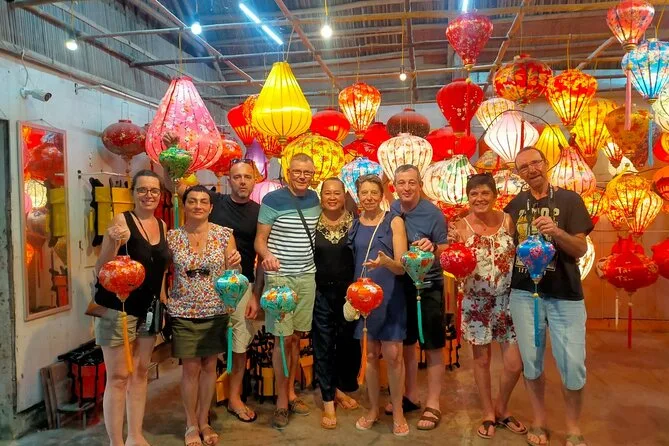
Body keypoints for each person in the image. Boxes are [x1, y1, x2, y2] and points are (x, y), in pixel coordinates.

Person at [505, 147, 593, 446]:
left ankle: (573, 428)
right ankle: (539, 421)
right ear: (518, 173)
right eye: (524, 167)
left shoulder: (570, 200)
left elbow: (580, 249)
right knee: (531, 363)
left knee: (573, 364)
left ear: (546, 164)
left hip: (565, 294)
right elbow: (501, 243)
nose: (531, 170)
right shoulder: (515, 205)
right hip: (524, 293)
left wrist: (556, 232)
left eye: (535, 163)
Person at [94, 169, 170, 446]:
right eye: (142, 189)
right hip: (119, 308)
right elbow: (100, 269)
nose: (148, 195)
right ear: (133, 193)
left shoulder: (162, 225)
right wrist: (113, 241)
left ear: (160, 195)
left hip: (150, 309)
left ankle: (135, 435)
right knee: (118, 377)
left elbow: (161, 269)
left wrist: (163, 301)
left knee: (140, 373)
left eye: (154, 190)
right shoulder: (121, 221)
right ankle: (115, 441)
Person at [449, 173, 526, 440]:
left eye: (485, 193)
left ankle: (502, 407)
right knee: (481, 361)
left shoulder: (508, 221)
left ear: (494, 195)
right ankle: (488, 413)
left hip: (507, 300)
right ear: (468, 197)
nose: (479, 198)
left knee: (515, 364)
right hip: (475, 302)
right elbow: (454, 262)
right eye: (474, 194)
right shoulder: (460, 227)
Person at [167, 185, 242, 446]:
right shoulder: (172, 237)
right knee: (190, 368)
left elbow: (233, 274)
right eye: (192, 201)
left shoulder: (224, 235)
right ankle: (190, 424)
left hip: (215, 308)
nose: (198, 205)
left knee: (210, 366)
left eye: (203, 201)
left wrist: (236, 265)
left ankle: (204, 420)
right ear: (184, 205)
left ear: (211, 207)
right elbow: (162, 271)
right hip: (183, 309)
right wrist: (164, 299)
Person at [254, 153, 320, 430]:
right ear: (288, 173)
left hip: (307, 277)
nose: (302, 176)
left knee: (295, 338)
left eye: (307, 172)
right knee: (281, 340)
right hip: (280, 279)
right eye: (297, 171)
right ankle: (281, 401)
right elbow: (260, 240)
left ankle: (291, 392)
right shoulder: (272, 200)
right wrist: (267, 256)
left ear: (313, 175)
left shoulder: (316, 199)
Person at [387, 164, 448, 430]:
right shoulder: (392, 210)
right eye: (402, 183)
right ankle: (411, 394)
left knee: (432, 344)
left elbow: (445, 247)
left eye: (412, 182)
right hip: (402, 284)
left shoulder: (433, 213)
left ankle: (433, 403)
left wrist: (433, 247)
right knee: (407, 342)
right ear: (395, 186)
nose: (407, 188)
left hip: (429, 284)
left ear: (420, 185)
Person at [349, 174, 409, 437]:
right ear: (358, 196)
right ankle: (373, 409)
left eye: (374, 192)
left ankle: (398, 412)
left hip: (390, 295)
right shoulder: (354, 225)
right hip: (363, 298)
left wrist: (386, 262)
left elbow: (401, 267)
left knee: (394, 356)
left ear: (382, 195)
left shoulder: (393, 221)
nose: (369, 197)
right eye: (364, 193)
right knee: (370, 355)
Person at [207, 159, 263, 423]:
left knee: (240, 344)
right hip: (209, 285)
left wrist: (255, 295)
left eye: (247, 177)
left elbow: (261, 256)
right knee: (207, 344)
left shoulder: (260, 212)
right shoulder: (213, 203)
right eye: (237, 176)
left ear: (255, 180)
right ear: (228, 179)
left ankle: (234, 397)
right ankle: (204, 400)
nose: (242, 181)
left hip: (243, 284)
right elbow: (176, 185)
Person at [312, 177, 360, 430]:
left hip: (349, 294)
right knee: (323, 345)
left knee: (346, 344)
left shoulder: (355, 223)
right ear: (321, 197)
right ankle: (328, 399)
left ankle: (338, 388)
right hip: (319, 293)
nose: (332, 197)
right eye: (327, 193)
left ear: (344, 196)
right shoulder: (312, 222)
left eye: (336, 193)